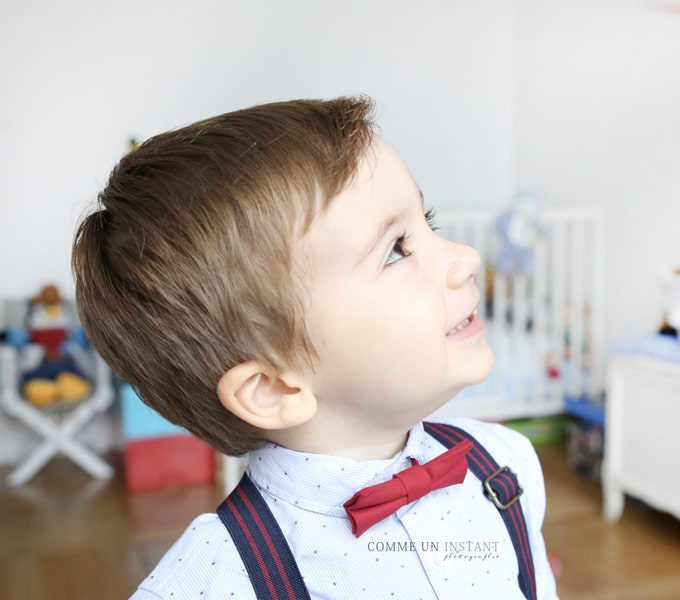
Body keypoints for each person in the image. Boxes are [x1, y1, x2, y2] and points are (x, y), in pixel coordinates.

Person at [72, 96, 559, 599]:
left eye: (427, 223)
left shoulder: (503, 465)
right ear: (274, 388)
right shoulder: (217, 581)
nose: (466, 257)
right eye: (395, 250)